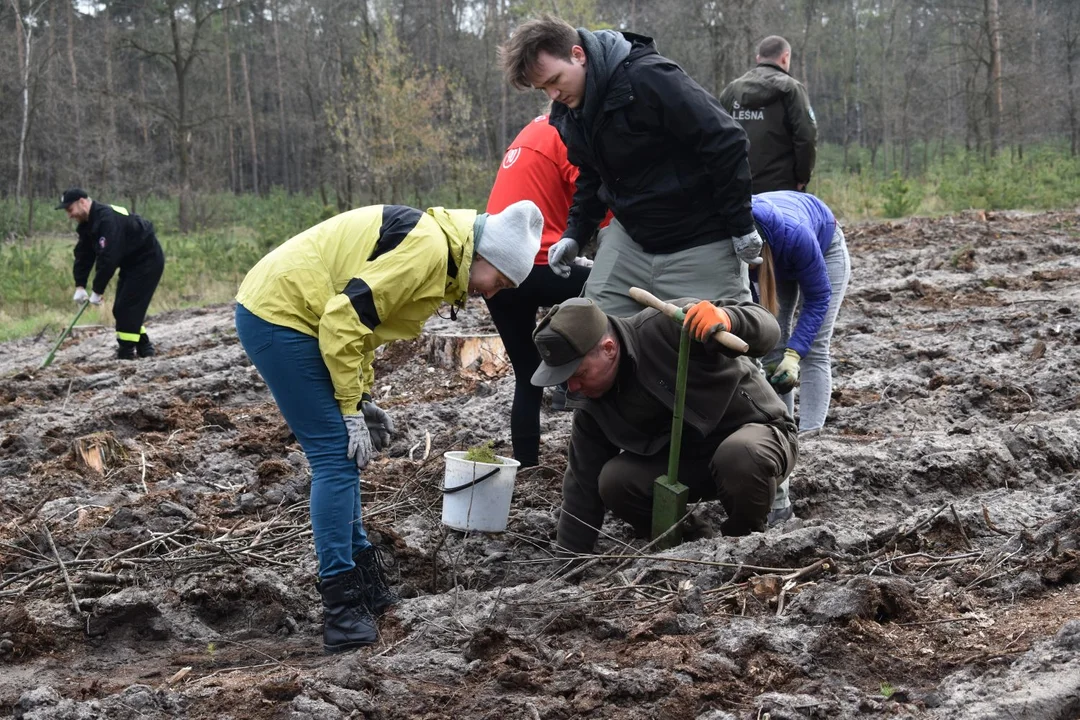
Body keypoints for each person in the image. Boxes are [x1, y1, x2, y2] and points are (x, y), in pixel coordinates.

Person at [234, 201, 542, 653]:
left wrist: (361, 397)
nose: (495, 293)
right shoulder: (430, 250)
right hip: (282, 314)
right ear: (485, 258)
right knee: (336, 458)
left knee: (345, 457)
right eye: (500, 281)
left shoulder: (442, 254)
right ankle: (340, 609)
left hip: (303, 315)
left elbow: (363, 327)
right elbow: (342, 318)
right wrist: (348, 408)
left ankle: (364, 584)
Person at [499, 15, 761, 318]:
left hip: (700, 234)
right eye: (543, 88)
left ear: (578, 55)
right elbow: (591, 175)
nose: (553, 95)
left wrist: (741, 225)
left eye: (555, 80)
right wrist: (575, 235)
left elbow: (726, 140)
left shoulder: (650, 77)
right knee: (594, 335)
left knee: (718, 345)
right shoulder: (569, 111)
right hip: (631, 239)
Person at [530, 297, 798, 556]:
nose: (572, 388)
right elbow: (581, 484)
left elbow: (767, 328)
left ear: (609, 349)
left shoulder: (669, 325)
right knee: (615, 481)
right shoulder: (592, 402)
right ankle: (692, 547)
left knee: (739, 454)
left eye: (578, 374)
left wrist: (730, 319)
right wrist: (566, 563)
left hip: (761, 440)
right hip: (691, 464)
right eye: (566, 380)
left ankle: (743, 547)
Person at [485, 113, 610, 466]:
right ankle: (573, 379)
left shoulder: (529, 131)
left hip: (496, 271)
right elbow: (596, 199)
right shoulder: (569, 133)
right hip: (542, 261)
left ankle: (525, 466)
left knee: (526, 377)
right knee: (614, 293)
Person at [751, 191, 850, 525]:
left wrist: (795, 354)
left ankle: (812, 435)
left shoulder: (794, 236)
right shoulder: (737, 238)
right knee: (773, 342)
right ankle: (784, 430)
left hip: (824, 248)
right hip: (776, 259)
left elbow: (819, 296)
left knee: (814, 349)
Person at [57, 188, 165, 360]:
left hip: (147, 260)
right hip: (130, 264)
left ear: (82, 202)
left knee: (125, 308)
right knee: (124, 309)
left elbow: (108, 258)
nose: (69, 215)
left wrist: (97, 290)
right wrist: (80, 285)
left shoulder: (107, 220)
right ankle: (145, 348)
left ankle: (126, 352)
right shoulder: (87, 224)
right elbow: (83, 255)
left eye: (70, 210)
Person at [719, 35, 817, 193]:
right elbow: (806, 137)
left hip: (738, 188)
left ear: (758, 58)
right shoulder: (792, 90)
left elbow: (718, 137)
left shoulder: (731, 91)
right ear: (785, 57)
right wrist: (802, 177)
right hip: (782, 190)